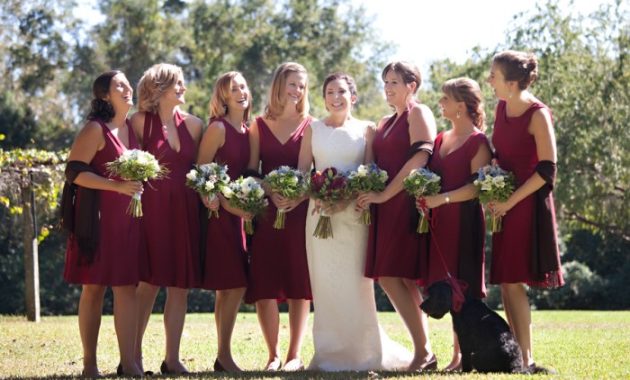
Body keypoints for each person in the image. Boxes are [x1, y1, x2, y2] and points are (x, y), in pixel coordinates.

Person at [298, 72, 412, 371]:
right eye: (330, 92)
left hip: (354, 216)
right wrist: (317, 194)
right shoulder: (313, 129)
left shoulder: (367, 130)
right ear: (323, 98)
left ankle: (364, 352)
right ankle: (329, 353)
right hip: (319, 215)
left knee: (355, 284)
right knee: (325, 284)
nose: (335, 98)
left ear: (354, 97)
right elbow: (302, 174)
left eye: (341, 92)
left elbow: (370, 172)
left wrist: (349, 197)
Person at [61, 70, 143, 377]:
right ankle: (89, 364)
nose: (127, 88)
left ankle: (130, 364)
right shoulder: (94, 130)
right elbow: (74, 172)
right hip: (95, 222)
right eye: (118, 85)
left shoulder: (131, 130)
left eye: (126, 83)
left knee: (127, 288)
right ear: (104, 96)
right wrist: (117, 187)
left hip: (127, 222)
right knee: (93, 289)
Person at [487, 50, 564, 372]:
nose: (489, 80)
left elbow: (547, 169)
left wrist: (509, 201)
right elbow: (502, 152)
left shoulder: (538, 114)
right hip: (504, 202)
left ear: (513, 81)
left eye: (494, 75)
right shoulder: (501, 107)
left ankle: (527, 358)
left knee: (516, 279)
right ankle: (520, 357)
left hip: (527, 204)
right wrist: (492, 170)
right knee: (506, 280)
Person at [357, 61, 436, 371]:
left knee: (393, 276)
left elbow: (421, 156)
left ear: (411, 85)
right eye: (385, 82)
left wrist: (385, 194)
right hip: (384, 206)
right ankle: (424, 350)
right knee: (396, 278)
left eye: (394, 82)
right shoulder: (385, 121)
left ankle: (423, 352)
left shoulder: (419, 113)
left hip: (405, 205)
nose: (388, 87)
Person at [130, 63, 203, 375]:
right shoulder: (137, 123)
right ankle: (132, 358)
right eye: (178, 84)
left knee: (180, 287)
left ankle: (172, 359)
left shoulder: (195, 125)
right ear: (158, 89)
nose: (184, 89)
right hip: (151, 213)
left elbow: (202, 171)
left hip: (185, 212)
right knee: (147, 284)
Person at [417, 77, 492, 371]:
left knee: (463, 289)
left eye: (445, 99)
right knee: (445, 290)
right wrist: (422, 198)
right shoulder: (439, 139)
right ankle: (457, 356)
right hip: (437, 223)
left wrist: (442, 200)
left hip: (464, 222)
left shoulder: (479, 142)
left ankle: (463, 357)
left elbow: (477, 187)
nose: (440, 104)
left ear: (460, 106)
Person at [245, 62, 312, 371]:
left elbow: (303, 172)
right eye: (292, 84)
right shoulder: (258, 124)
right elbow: (250, 171)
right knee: (265, 282)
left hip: (298, 213)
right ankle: (272, 355)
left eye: (302, 86)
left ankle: (293, 355)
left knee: (300, 282)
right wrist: (270, 191)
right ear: (279, 85)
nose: (297, 91)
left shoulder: (310, 124)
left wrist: (295, 196)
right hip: (266, 212)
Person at [198, 71, 252, 372]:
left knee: (230, 287)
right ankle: (225, 355)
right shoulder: (217, 128)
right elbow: (201, 169)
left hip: (239, 215)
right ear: (223, 96)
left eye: (243, 86)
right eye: (234, 89)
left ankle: (222, 355)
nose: (241, 92)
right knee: (233, 284)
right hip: (219, 213)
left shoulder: (248, 130)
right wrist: (224, 202)